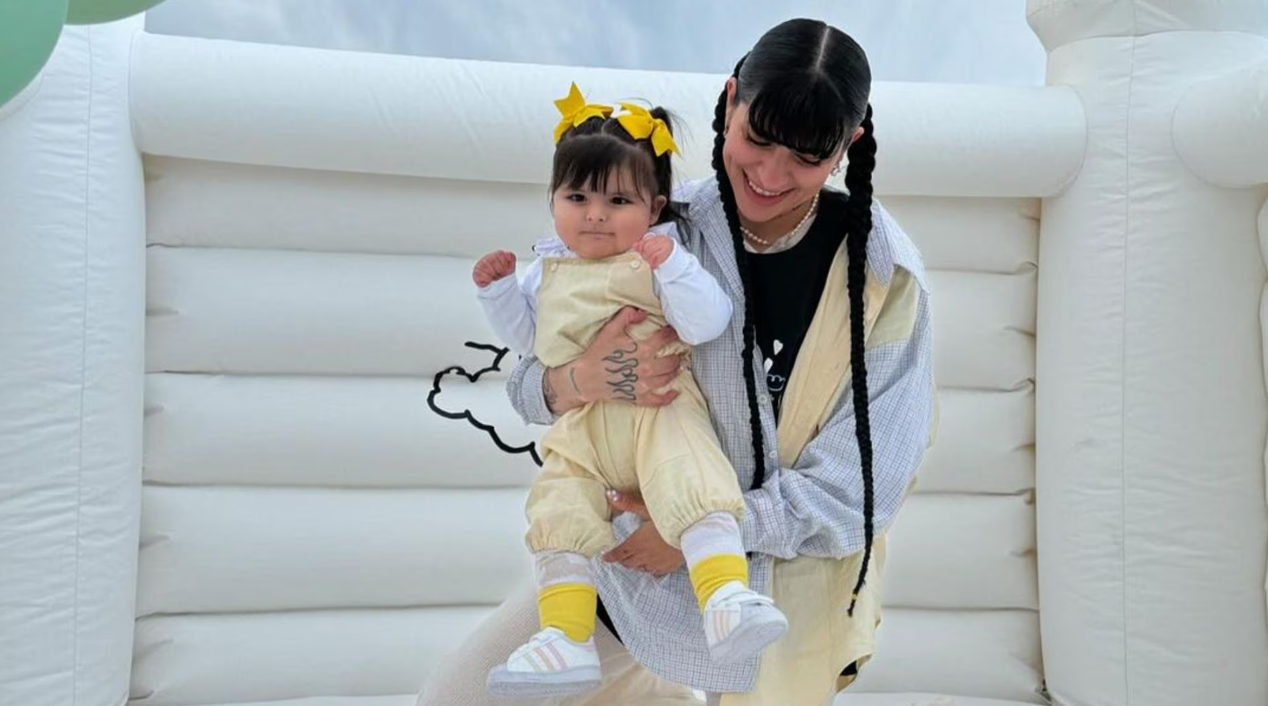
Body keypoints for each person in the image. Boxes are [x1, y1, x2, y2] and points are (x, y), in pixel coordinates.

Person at [419, 17, 935, 706]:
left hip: (777, 590)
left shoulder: (882, 280)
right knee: (460, 695)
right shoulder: (657, 223)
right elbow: (526, 383)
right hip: (630, 571)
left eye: (806, 157)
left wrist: (702, 530)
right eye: (758, 139)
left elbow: (863, 484)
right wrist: (577, 378)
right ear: (730, 100)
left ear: (848, 147)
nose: (771, 174)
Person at [472, 84, 789, 698]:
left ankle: (724, 596)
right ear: (553, 199)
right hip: (582, 428)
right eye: (577, 197)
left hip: (657, 414)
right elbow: (529, 341)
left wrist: (672, 266)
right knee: (558, 506)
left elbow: (708, 321)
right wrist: (499, 293)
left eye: (617, 200)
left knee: (692, 479)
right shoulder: (545, 272)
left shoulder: (660, 259)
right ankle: (565, 636)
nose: (595, 214)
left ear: (654, 207)